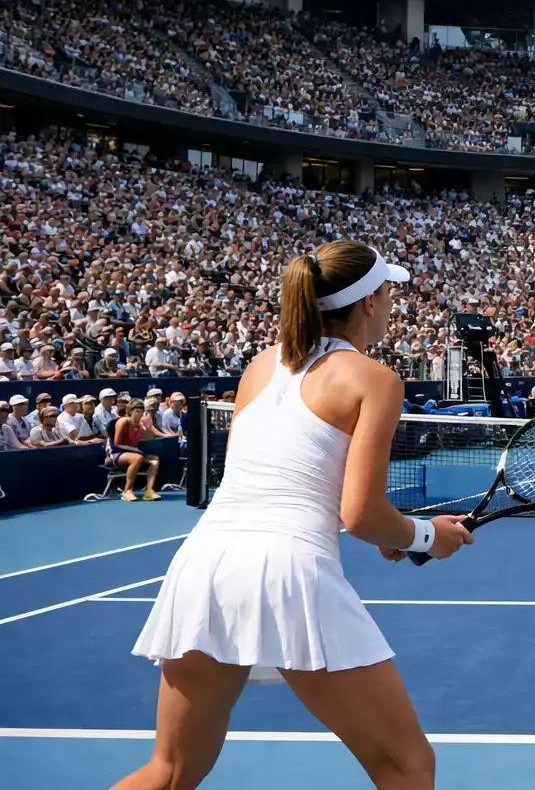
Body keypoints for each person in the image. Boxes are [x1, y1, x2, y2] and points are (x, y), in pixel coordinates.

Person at [113, 240, 474, 790]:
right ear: (370, 303)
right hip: (287, 573)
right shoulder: (375, 379)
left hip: (203, 565)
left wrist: (386, 528)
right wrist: (426, 536)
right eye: (389, 292)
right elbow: (360, 513)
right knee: (407, 766)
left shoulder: (260, 366)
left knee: (171, 770)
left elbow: (276, 481)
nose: (393, 303)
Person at [111, 400, 163, 502]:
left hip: (135, 454)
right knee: (137, 458)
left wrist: (148, 427)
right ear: (130, 411)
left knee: (155, 460)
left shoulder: (140, 424)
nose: (140, 414)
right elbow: (117, 444)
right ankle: (127, 491)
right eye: (137, 411)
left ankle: (149, 491)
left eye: (142, 411)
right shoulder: (123, 421)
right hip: (116, 454)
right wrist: (136, 451)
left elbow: (149, 438)